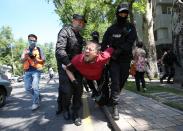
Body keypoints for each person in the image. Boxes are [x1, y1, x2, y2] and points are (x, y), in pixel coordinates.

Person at [101, 2, 137, 120]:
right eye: (121, 12)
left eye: (125, 13)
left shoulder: (131, 27)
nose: (123, 15)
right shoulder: (111, 29)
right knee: (115, 82)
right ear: (117, 13)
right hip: (114, 61)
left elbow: (130, 42)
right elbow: (104, 43)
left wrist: (119, 50)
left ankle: (113, 97)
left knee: (122, 80)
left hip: (125, 59)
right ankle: (115, 105)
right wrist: (105, 55)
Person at [55, 14, 86, 126]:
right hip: (64, 65)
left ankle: (75, 113)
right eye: (79, 21)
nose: (80, 24)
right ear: (73, 20)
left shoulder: (81, 38)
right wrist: (68, 63)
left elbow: (82, 55)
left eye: (82, 22)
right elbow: (59, 50)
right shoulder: (64, 32)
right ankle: (66, 108)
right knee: (67, 90)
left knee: (78, 89)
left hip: (76, 66)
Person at [21, 34, 45, 110]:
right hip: (27, 71)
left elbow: (43, 60)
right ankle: (38, 96)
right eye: (31, 40)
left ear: (36, 41)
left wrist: (33, 57)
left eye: (34, 40)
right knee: (27, 88)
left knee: (35, 87)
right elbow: (21, 60)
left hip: (36, 70)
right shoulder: (25, 50)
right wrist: (26, 55)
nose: (32, 42)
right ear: (28, 40)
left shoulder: (39, 49)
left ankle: (35, 103)